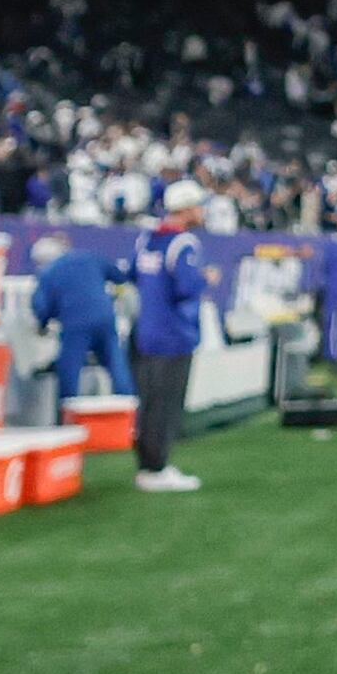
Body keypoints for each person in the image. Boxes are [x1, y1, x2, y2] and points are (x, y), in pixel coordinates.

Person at [127, 184, 218, 494]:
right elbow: (185, 287)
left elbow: (134, 275)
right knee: (166, 404)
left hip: (147, 331)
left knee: (149, 401)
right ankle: (157, 467)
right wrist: (206, 277)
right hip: (173, 333)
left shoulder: (147, 239)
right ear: (188, 208)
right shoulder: (183, 244)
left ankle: (148, 464)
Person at [32, 225, 132, 428]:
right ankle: (129, 418)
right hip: (105, 316)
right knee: (116, 365)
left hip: (75, 322)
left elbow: (41, 307)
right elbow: (119, 276)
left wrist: (43, 324)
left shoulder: (49, 272)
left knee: (69, 370)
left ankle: (67, 421)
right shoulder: (88, 257)